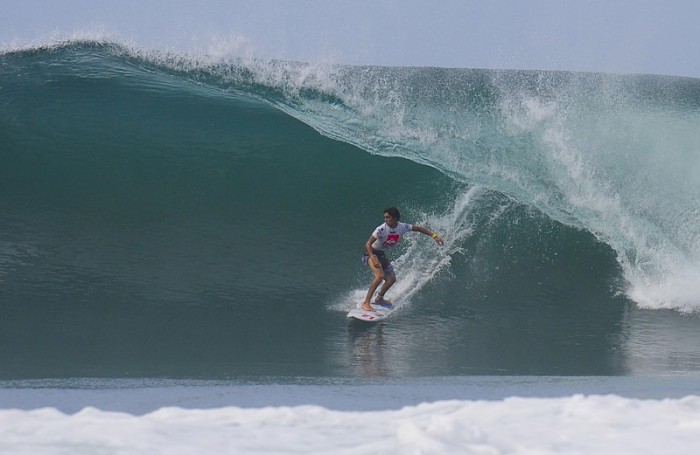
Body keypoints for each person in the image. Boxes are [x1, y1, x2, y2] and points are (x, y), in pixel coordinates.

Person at [361, 207, 444, 311]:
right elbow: (368, 244)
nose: (385, 220)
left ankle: (379, 298)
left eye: (388, 217)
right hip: (371, 254)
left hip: (381, 254)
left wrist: (434, 236)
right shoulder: (381, 229)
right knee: (380, 276)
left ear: (395, 218)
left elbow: (418, 228)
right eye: (384, 217)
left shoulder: (403, 227)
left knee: (391, 279)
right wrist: (373, 258)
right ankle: (365, 303)